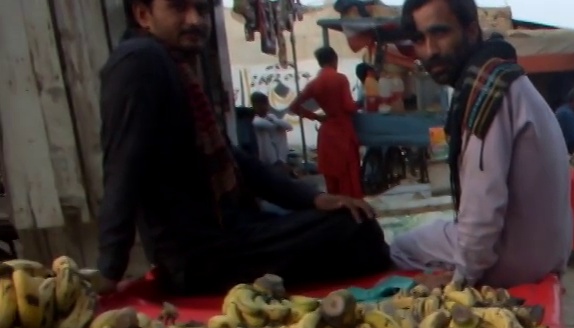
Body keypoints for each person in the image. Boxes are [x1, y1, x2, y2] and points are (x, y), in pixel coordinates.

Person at [96, 0, 389, 297]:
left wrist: (314, 198)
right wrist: (109, 271)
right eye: (179, 8)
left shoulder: (177, 67)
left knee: (352, 218)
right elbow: (123, 166)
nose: (195, 20)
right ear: (144, 15)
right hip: (204, 257)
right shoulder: (139, 62)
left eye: (201, 10)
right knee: (356, 231)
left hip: (233, 233)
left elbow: (236, 159)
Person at [388, 0, 572, 288]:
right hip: (549, 253)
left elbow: (482, 215)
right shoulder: (511, 80)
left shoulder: (487, 90)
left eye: (440, 33)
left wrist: (462, 280)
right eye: (419, 39)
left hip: (514, 262)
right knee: (438, 231)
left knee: (401, 246)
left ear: (471, 31)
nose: (430, 51)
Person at [290, 47, 363, 198]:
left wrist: (315, 117)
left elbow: (294, 106)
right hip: (343, 132)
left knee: (332, 181)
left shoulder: (314, 83)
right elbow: (348, 106)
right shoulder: (340, 79)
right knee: (349, 180)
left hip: (327, 132)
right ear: (334, 60)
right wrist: (360, 104)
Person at [250, 91, 292, 173]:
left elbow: (289, 127)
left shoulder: (271, 117)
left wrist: (273, 120)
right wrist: (273, 122)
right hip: (266, 157)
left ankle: (281, 161)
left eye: (266, 104)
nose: (265, 107)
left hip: (278, 153)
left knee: (281, 129)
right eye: (261, 105)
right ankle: (277, 162)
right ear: (255, 106)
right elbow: (269, 126)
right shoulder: (255, 120)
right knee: (267, 131)